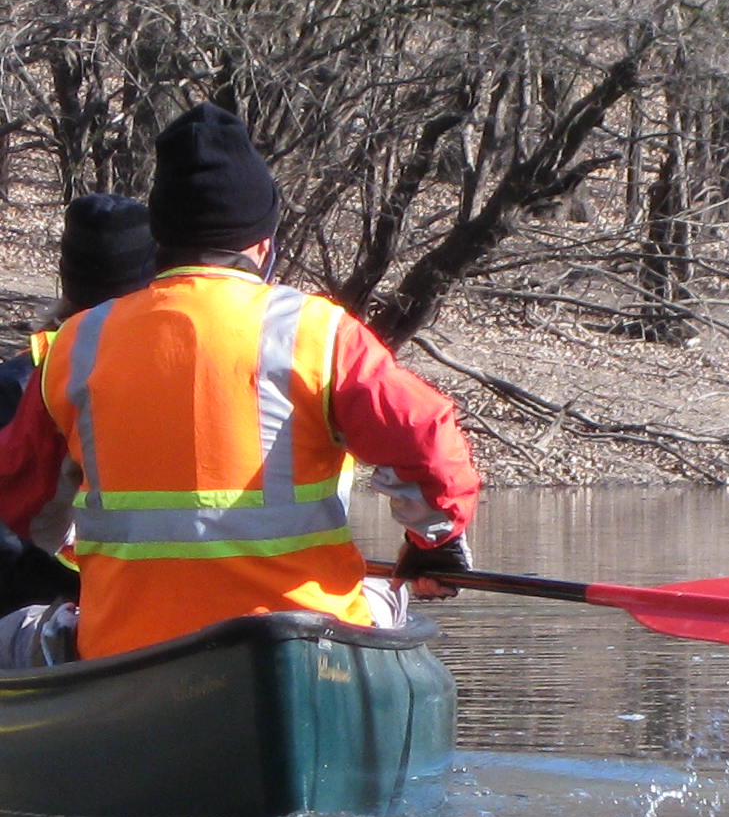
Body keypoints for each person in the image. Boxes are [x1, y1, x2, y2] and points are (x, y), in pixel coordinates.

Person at [0, 102, 479, 663]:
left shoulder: (74, 346)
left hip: (124, 644)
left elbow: (23, 504)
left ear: (160, 240)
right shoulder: (320, 332)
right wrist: (435, 541)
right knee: (387, 600)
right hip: (302, 635)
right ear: (263, 242)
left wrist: (81, 553)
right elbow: (426, 437)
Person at [0, 193, 154, 621]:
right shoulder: (160, 379)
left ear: (66, 277)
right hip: (71, 610)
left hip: (50, 608)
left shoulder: (21, 376)